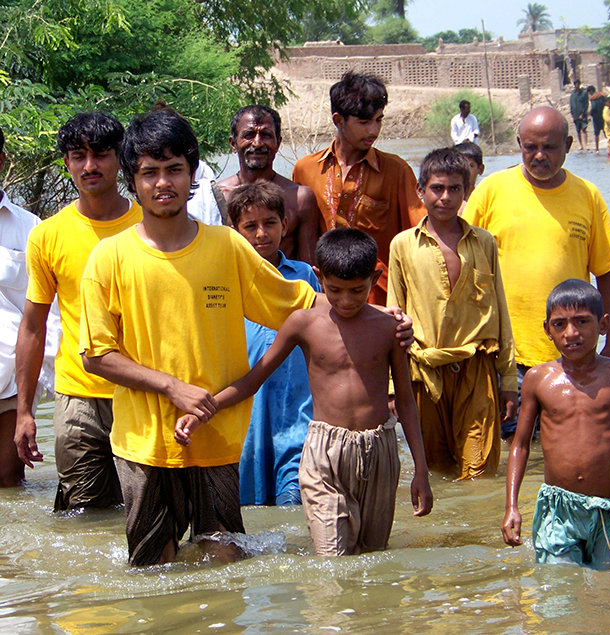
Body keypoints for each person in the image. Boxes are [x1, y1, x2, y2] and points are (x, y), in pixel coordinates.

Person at [79, 108, 414, 566]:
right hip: (144, 444)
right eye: (149, 172)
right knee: (153, 571)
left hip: (216, 438)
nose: (163, 183)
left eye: (175, 170)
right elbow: (96, 356)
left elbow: (300, 301)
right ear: (132, 181)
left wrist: (382, 316)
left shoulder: (226, 246)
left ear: (193, 173)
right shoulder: (109, 258)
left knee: (225, 564)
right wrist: (171, 387)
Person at [176, 227, 433, 556]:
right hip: (324, 452)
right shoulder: (303, 323)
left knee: (372, 558)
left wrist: (421, 471)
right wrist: (203, 411)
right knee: (331, 560)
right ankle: (324, 610)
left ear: (376, 277)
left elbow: (407, 404)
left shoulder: (389, 329)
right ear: (318, 277)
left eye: (357, 290)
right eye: (335, 290)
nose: (346, 301)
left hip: (379, 449)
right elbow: (254, 380)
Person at [463, 106, 610, 440]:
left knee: (572, 446)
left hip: (571, 354)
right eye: (530, 147)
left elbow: (607, 274)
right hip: (504, 357)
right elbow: (457, 263)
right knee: (510, 446)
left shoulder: (588, 196)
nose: (539, 156)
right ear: (519, 143)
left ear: (568, 145)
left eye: (549, 147)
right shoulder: (491, 192)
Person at [15, 112, 142, 510]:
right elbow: (33, 326)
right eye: (78, 156)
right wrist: (24, 412)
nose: (90, 166)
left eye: (101, 154)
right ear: (66, 163)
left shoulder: (151, 224)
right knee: (81, 516)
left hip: (142, 391)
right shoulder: (47, 235)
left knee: (144, 508)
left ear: (120, 158)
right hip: (76, 398)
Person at [387, 148, 517, 480]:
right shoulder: (403, 245)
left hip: (477, 368)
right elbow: (394, 316)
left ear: (467, 192)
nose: (445, 198)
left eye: (455, 189)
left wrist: (509, 381)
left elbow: (499, 309)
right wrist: (392, 386)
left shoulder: (484, 242)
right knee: (436, 472)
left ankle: (479, 532)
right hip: (425, 371)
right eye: (437, 188)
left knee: (479, 471)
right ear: (421, 191)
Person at [501, 279, 610, 569]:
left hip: (609, 508)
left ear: (604, 324)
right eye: (560, 324)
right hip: (558, 509)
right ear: (547, 330)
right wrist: (512, 506)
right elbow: (520, 445)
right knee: (557, 590)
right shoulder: (539, 379)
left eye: (582, 322)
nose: (571, 333)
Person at [292, 71, 425, 305]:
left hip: (381, 302)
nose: (374, 130)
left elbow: (419, 237)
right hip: (325, 301)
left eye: (379, 120)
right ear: (338, 120)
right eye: (364, 122)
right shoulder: (306, 170)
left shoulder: (396, 171)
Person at [227, 180, 321, 506]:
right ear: (234, 231)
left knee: (295, 497)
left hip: (297, 408)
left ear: (285, 225)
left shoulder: (304, 276)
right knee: (249, 503)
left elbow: (325, 332)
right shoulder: (224, 281)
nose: (261, 234)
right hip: (248, 409)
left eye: (269, 223)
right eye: (249, 226)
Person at [0, 129, 58, 486]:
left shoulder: (31, 228)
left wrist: (37, 384)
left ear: (1, 160)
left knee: (8, 478)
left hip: (12, 379)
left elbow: (47, 314)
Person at [218, 105, 319, 264]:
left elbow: (309, 269)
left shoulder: (300, 198)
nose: (257, 143)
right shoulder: (218, 196)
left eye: (265, 135)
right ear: (233, 143)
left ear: (278, 143)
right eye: (249, 135)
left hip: (285, 286)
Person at [454, 140, 484, 209]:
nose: (464, 170)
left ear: (480, 169)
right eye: (459, 165)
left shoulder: (483, 198)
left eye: (470, 166)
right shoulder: (446, 200)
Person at [569, 79, 588, 151]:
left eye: (578, 84)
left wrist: (583, 114)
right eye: (576, 84)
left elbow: (586, 104)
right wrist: (573, 115)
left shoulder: (583, 93)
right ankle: (580, 145)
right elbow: (571, 105)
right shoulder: (572, 95)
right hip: (575, 115)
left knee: (584, 129)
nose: (577, 85)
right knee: (578, 130)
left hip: (582, 115)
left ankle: (586, 145)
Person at [586, 86, 605, 154]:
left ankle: (597, 149)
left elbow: (593, 108)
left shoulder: (593, 99)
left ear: (591, 91)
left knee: (597, 134)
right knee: (605, 131)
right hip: (604, 116)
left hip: (596, 118)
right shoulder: (602, 96)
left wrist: (590, 113)